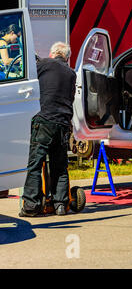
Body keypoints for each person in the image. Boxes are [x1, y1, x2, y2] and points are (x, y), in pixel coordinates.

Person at [20, 42, 76, 217]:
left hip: (44, 120)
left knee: (35, 165)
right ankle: (60, 204)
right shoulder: (71, 73)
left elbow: (28, 83)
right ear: (66, 57)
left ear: (52, 54)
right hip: (63, 123)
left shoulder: (43, 65)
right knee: (59, 165)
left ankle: (32, 206)